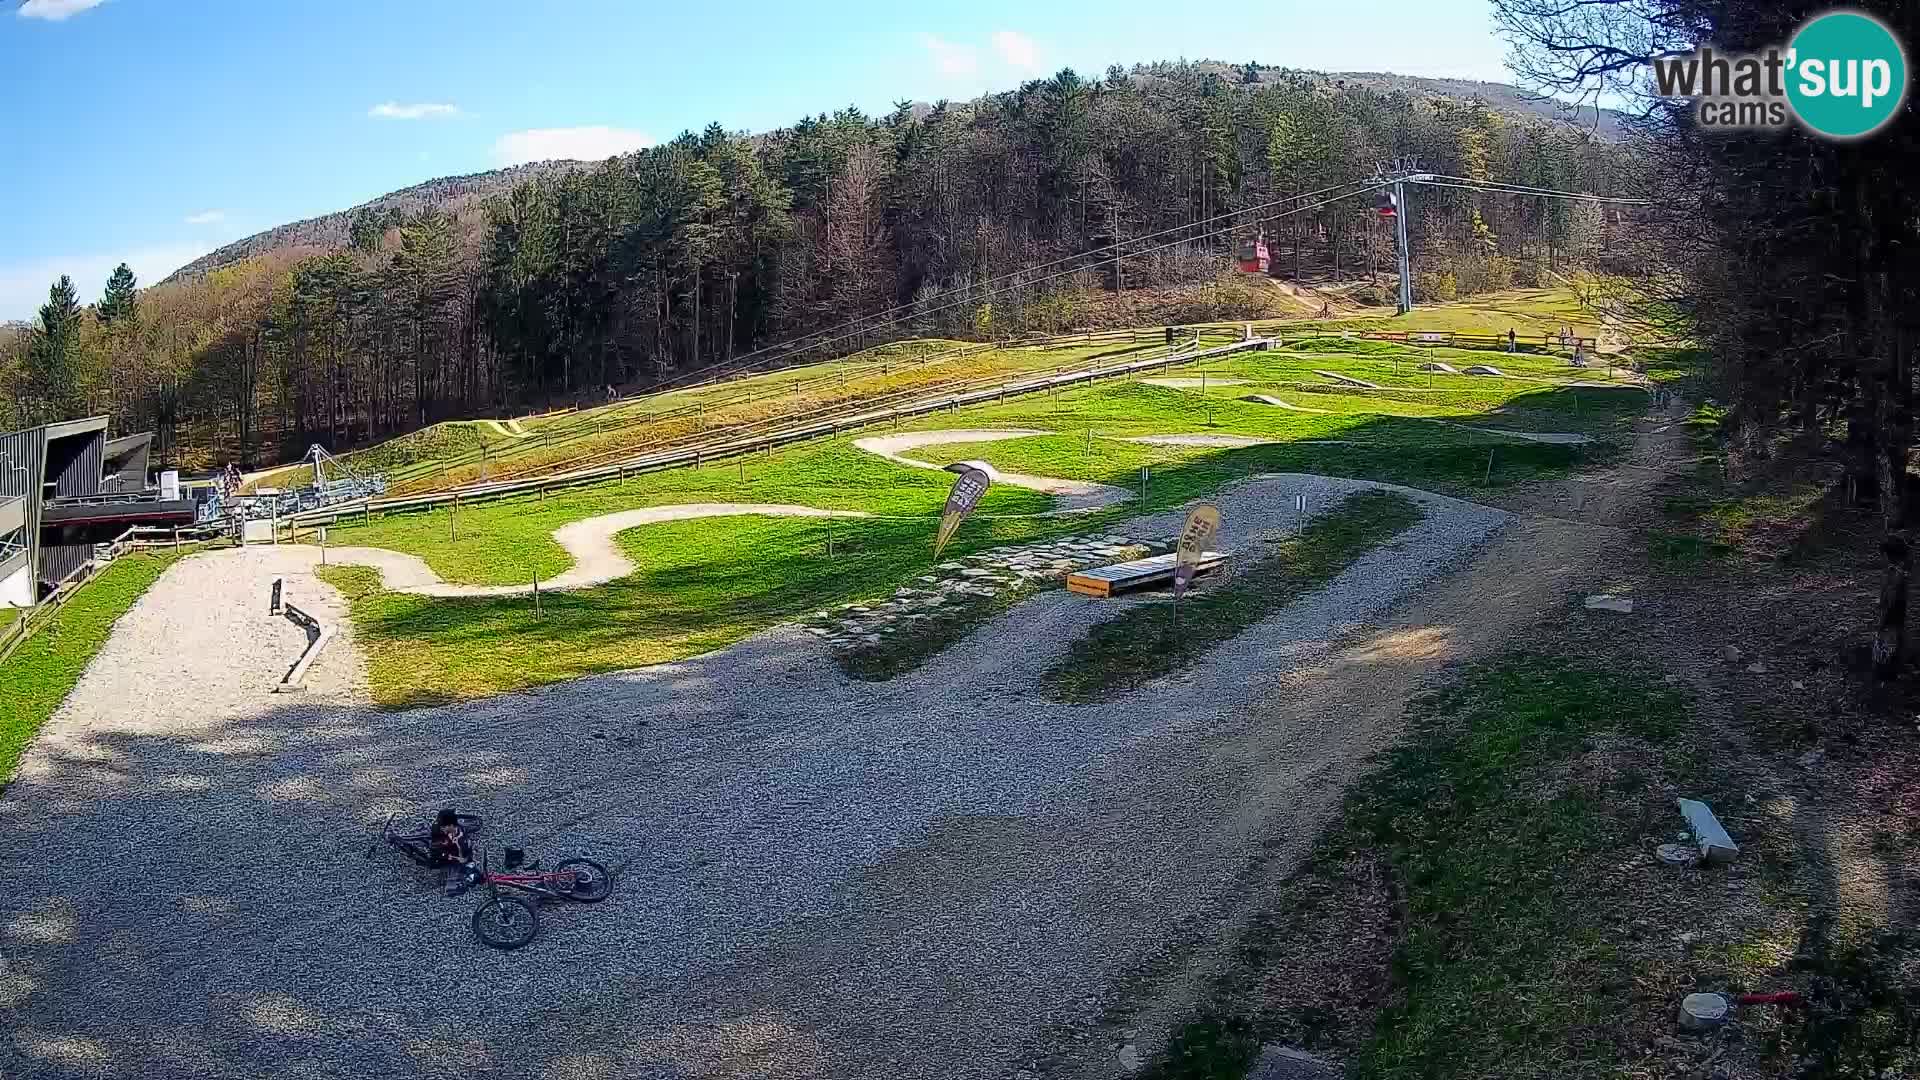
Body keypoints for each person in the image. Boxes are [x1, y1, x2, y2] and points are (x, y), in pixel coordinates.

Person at [429, 809, 479, 895]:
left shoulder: (462, 841)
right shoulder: (438, 829)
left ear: (451, 825)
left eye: (444, 826)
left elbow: (463, 859)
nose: (442, 828)